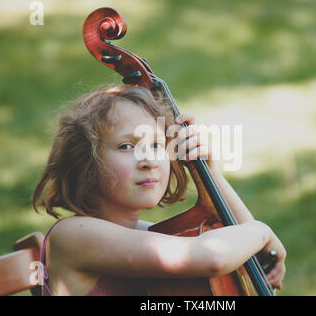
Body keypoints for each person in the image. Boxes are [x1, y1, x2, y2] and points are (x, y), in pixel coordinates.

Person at [32, 84, 286, 296]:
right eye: (125, 146)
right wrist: (261, 231)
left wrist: (207, 173)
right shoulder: (74, 236)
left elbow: (230, 235)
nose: (149, 160)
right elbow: (213, 257)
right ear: (85, 163)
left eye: (156, 144)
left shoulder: (144, 233)